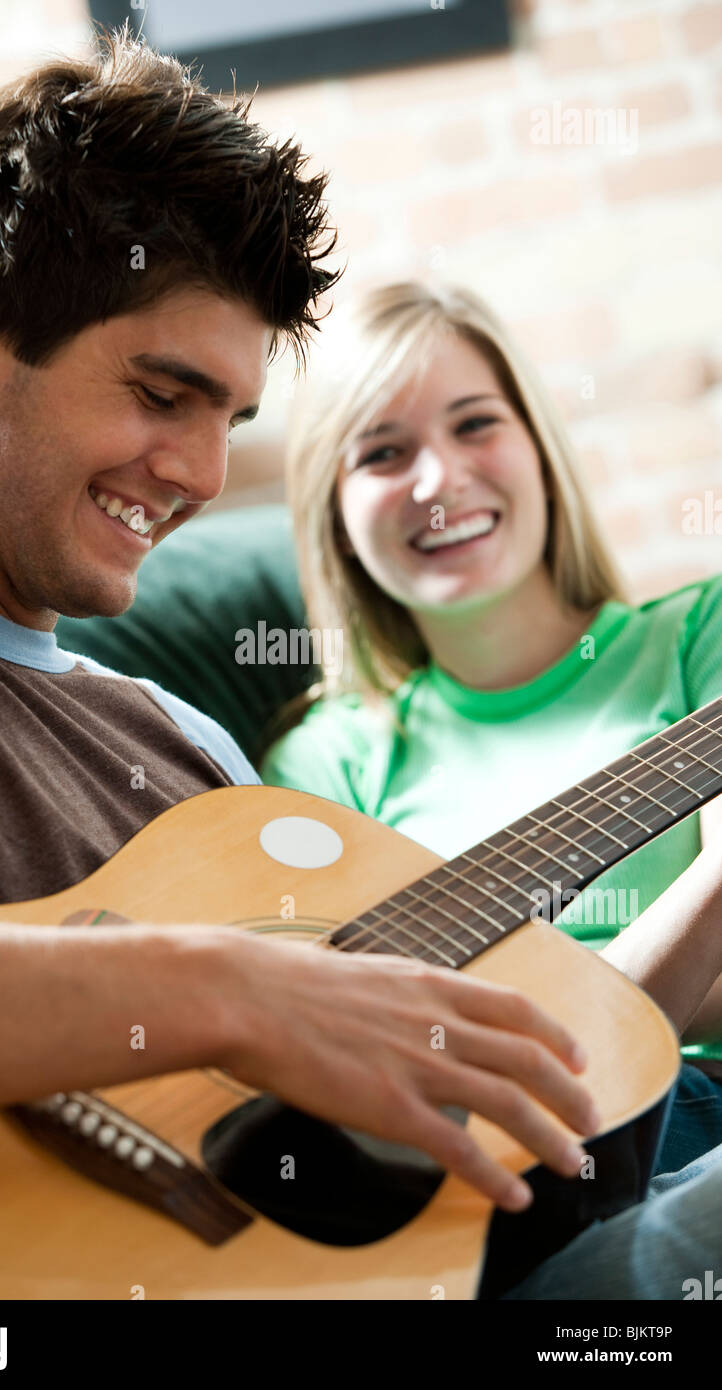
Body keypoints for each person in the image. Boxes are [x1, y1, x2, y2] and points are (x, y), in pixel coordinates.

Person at [0, 27, 600, 1228]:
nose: (201, 473)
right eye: (160, 395)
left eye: (232, 415)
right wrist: (223, 987)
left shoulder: (191, 742)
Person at [260, 279, 722, 1183]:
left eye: (475, 424)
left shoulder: (700, 636)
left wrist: (517, 1024)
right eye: (384, 452)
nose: (440, 480)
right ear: (337, 517)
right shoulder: (324, 765)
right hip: (482, 1176)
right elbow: (375, 1070)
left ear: (539, 447)